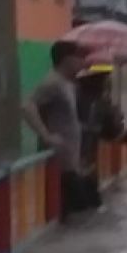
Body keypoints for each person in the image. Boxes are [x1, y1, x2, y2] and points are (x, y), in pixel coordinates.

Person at [23, 41, 88, 215]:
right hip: (58, 164)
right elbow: (27, 106)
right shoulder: (52, 83)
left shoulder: (69, 84)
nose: (82, 62)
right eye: (78, 58)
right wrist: (46, 135)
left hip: (71, 163)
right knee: (63, 214)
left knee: (77, 215)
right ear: (67, 59)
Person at [76, 64, 127, 209]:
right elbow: (110, 130)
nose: (108, 83)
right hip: (84, 156)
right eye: (106, 80)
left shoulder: (78, 94)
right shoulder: (97, 102)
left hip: (78, 155)